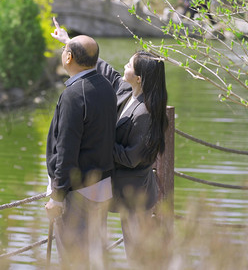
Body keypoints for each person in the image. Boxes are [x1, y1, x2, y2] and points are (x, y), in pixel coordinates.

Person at [51, 18, 169, 264]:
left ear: (139, 78)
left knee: (138, 254)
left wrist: (99, 143)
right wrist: (68, 41)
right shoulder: (126, 91)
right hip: (116, 187)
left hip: (135, 193)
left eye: (129, 64)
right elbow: (98, 68)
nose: (123, 66)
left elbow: (132, 156)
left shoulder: (146, 112)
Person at [44, 29, 117, 269]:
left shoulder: (74, 95)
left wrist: (57, 196)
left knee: (73, 258)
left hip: (78, 194)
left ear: (68, 58)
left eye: (65, 50)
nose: (63, 53)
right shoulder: (105, 87)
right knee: (93, 256)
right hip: (101, 187)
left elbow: (67, 149)